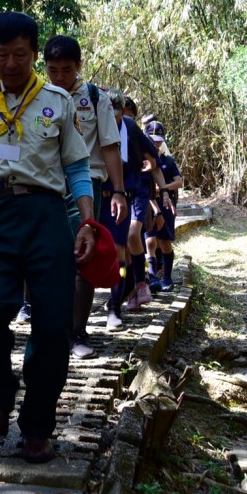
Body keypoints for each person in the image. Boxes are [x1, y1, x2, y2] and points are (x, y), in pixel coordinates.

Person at [0, 11, 98, 464]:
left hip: (48, 215)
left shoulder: (58, 102)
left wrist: (87, 222)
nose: (10, 63)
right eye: (2, 54)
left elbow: (77, 168)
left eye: (21, 55)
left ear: (34, 54)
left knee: (52, 324)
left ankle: (37, 427)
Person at [41, 35, 127, 358]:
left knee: (82, 258)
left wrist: (118, 191)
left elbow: (109, 145)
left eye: (66, 70)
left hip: (87, 185)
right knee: (47, 258)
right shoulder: (39, 96)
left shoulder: (95, 98)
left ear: (79, 66)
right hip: (48, 185)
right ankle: (51, 328)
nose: (59, 77)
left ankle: (78, 333)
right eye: (52, 70)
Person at [98, 89, 172, 324]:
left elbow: (154, 159)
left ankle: (115, 306)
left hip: (125, 196)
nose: (111, 119)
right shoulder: (90, 124)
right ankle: (130, 286)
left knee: (121, 251)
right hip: (97, 195)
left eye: (116, 114)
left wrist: (164, 193)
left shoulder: (130, 128)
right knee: (106, 255)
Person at [145, 120, 183, 292]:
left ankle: (166, 277)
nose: (156, 142)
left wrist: (163, 189)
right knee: (150, 240)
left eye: (159, 139)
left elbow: (179, 182)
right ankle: (152, 276)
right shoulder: (141, 159)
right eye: (153, 139)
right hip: (147, 202)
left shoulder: (167, 160)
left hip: (166, 204)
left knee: (165, 241)